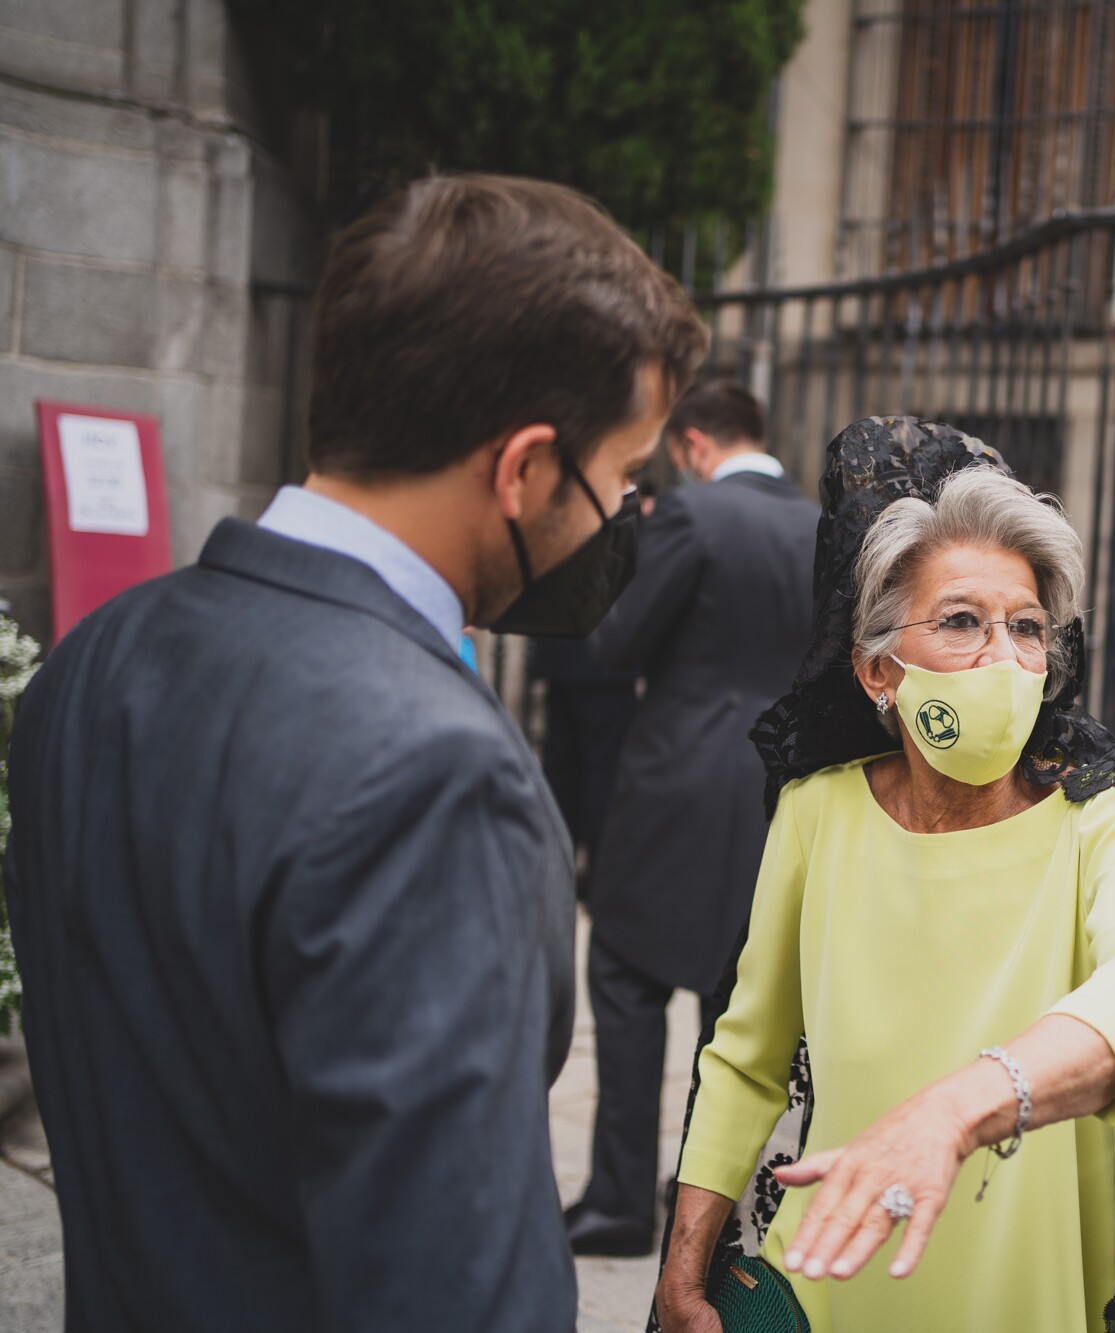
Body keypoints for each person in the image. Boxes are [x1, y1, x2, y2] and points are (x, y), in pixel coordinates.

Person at [1, 175, 707, 1330]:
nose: (625, 513)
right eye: (623, 475)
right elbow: (455, 1290)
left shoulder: (92, 659)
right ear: (524, 469)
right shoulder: (438, 773)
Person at [650, 421, 1115, 1333]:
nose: (1004, 658)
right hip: (826, 1284)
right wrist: (683, 1267)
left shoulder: (1106, 817)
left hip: (1024, 1295)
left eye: (1027, 628)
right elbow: (747, 1057)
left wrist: (954, 1112)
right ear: (878, 670)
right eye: (961, 621)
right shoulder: (818, 811)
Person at [564, 382, 819, 1256]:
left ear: (695, 444)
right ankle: (702, 1200)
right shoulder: (822, 526)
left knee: (626, 975)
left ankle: (616, 1201)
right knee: (734, 998)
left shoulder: (691, 514)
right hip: (778, 789)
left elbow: (617, 641)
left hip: (676, 781)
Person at [529, 632, 640, 903]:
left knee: (561, 777)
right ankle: (601, 887)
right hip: (606, 661)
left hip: (560, 656)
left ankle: (554, 882)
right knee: (604, 779)